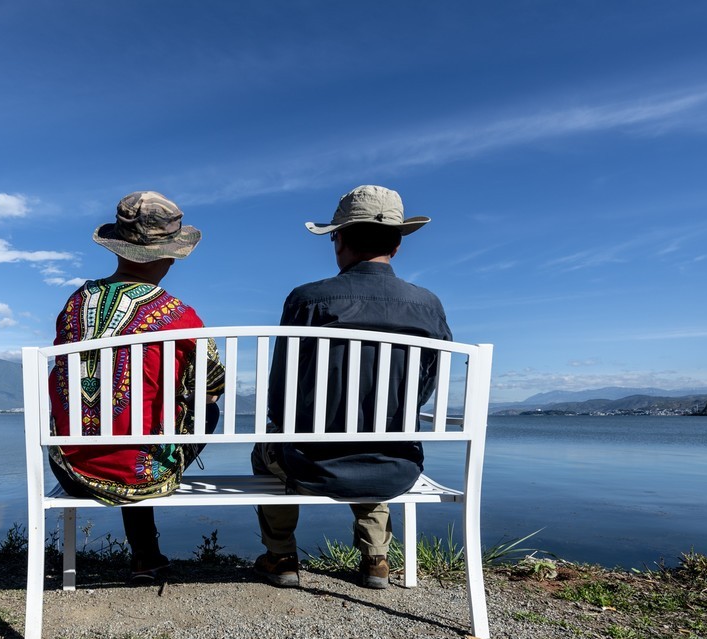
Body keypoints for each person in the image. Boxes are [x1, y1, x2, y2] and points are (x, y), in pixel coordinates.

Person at [251, 185, 452, 590]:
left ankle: (281, 556)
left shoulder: (307, 299)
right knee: (378, 442)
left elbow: (281, 386)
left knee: (264, 451)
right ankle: (376, 559)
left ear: (338, 240)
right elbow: (427, 383)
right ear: (396, 245)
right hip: (397, 466)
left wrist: (283, 423)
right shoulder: (427, 304)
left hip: (312, 465)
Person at [48, 191, 224, 581]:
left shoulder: (76, 303)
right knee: (196, 414)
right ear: (171, 254)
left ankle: (147, 554)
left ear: (117, 248)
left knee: (128, 426)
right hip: (142, 474)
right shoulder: (180, 316)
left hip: (69, 468)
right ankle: (145, 554)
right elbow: (211, 388)